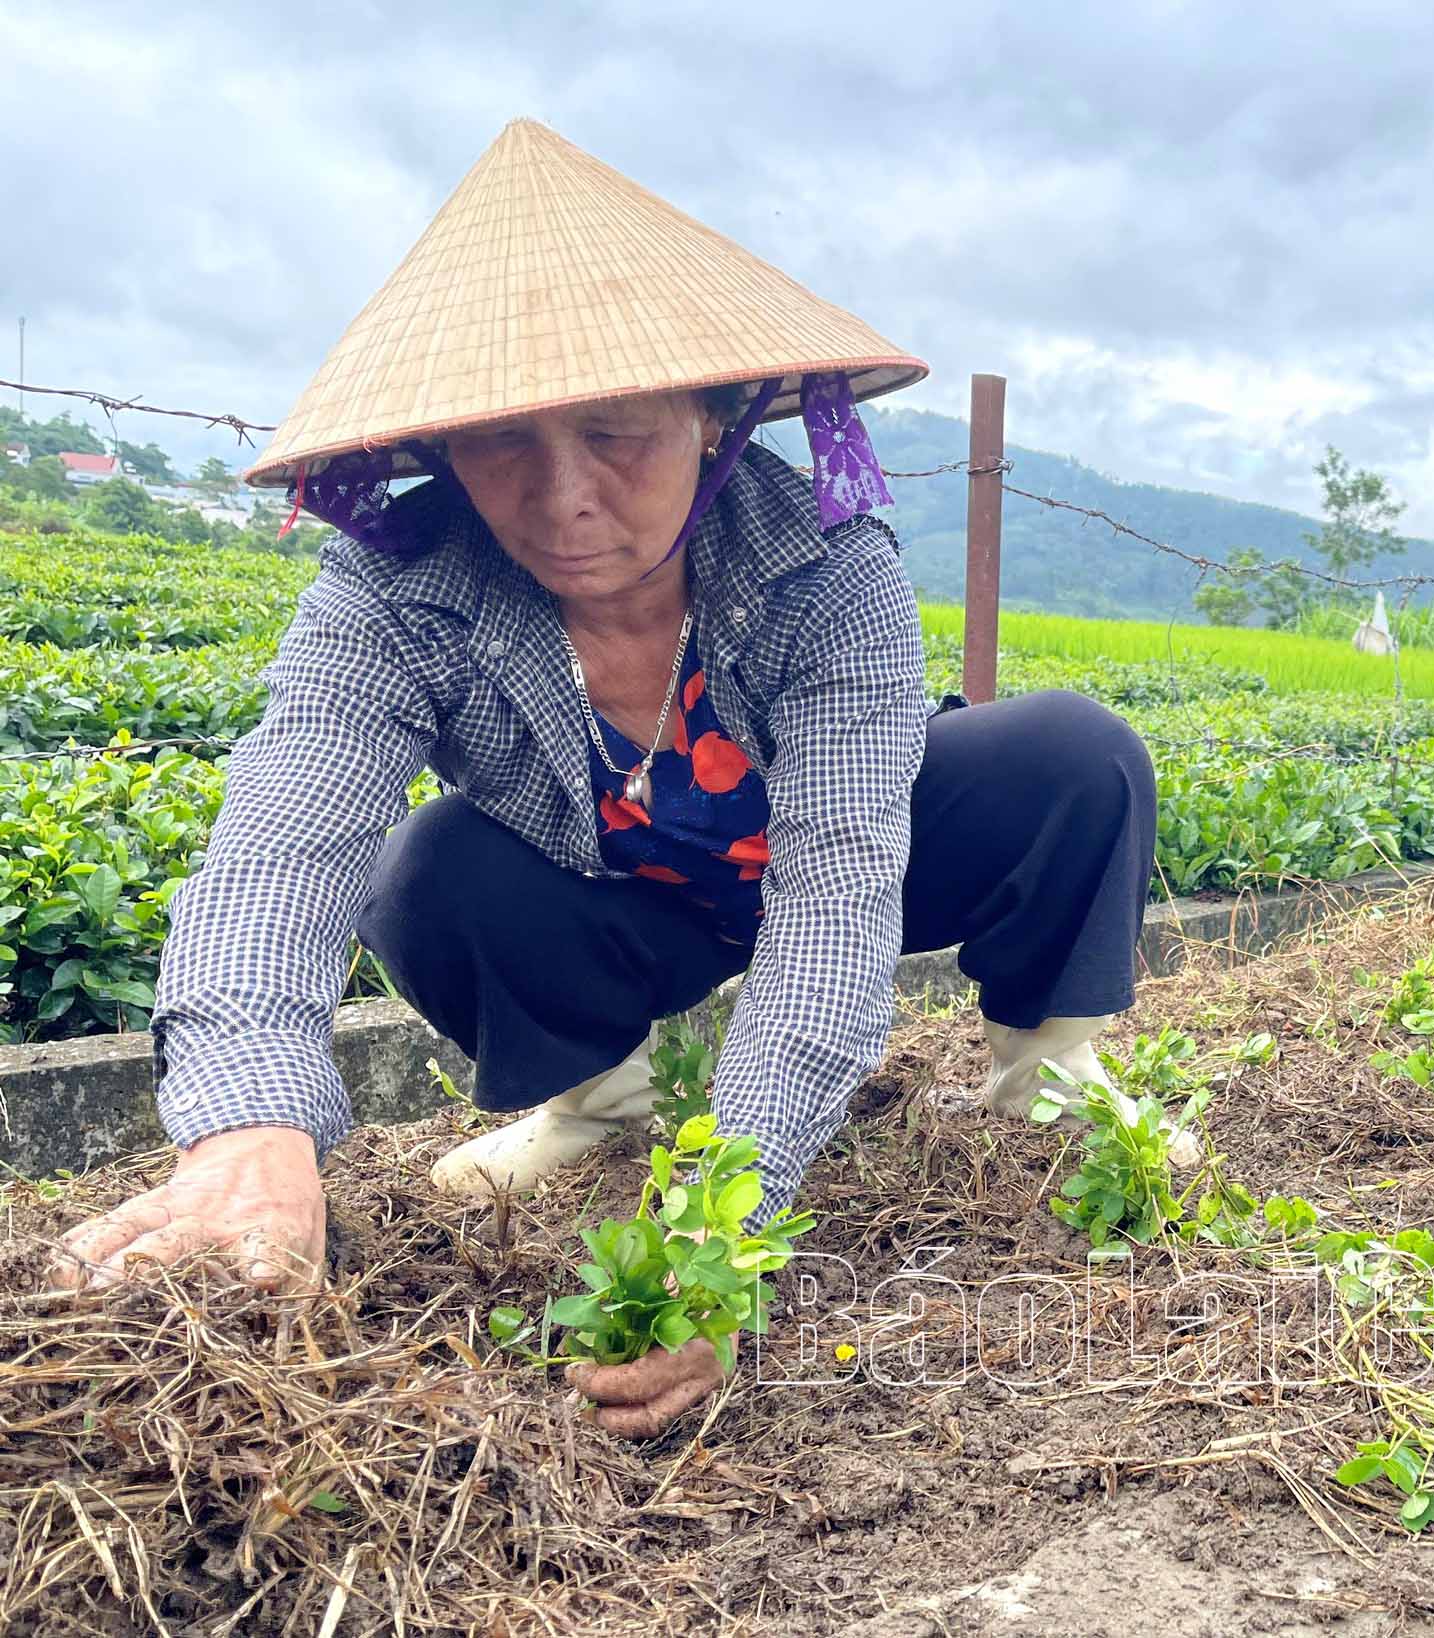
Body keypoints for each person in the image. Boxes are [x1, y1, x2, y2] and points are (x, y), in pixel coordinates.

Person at [49, 121, 1157, 1436]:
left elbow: (842, 888)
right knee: (426, 871)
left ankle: (1046, 1068)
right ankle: (604, 1096)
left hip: (859, 849)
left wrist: (716, 1226)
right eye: (505, 441)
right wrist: (247, 1127)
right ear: (445, 448)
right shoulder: (401, 590)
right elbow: (283, 841)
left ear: (713, 418)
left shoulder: (821, 561)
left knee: (1077, 755)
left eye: (617, 431)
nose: (564, 496)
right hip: (639, 892)